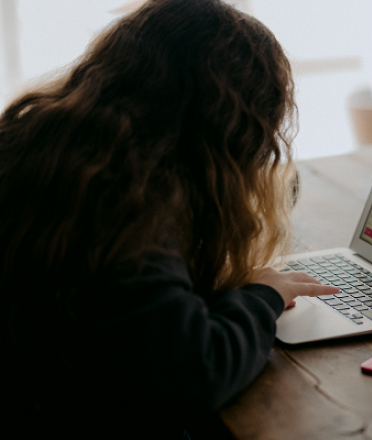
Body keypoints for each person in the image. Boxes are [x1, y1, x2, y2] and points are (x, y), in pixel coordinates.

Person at [0, 0, 338, 438]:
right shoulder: (125, 206)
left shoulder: (47, 144)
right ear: (228, 129)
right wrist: (263, 296)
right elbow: (196, 371)